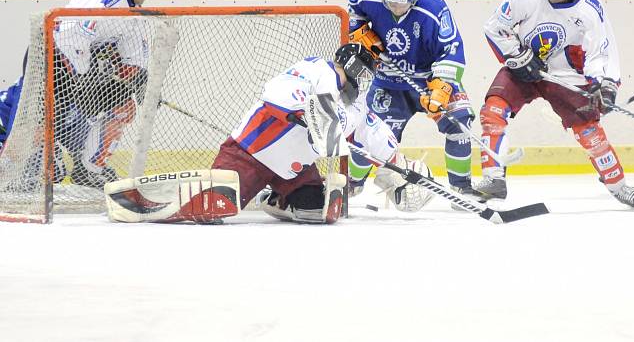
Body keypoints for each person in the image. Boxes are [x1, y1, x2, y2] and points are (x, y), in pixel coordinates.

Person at [104, 43, 434, 224]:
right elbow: (274, 91)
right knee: (218, 204)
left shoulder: (354, 106)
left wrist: (400, 167)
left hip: (294, 170)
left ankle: (276, 199)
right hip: (251, 154)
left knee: (323, 209)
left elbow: (371, 133)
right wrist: (308, 110)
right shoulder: (314, 70)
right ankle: (146, 198)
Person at [476, 0, 634, 208]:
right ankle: (493, 179)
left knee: (589, 132)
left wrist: (605, 85)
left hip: (565, 76)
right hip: (525, 66)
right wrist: (519, 56)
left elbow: (601, 51)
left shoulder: (590, 9)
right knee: (493, 111)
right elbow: (495, 27)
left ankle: (618, 185)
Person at [4, 0, 161, 191]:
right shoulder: (106, 1)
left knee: (124, 107)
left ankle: (90, 167)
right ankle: (22, 167)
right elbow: (70, 38)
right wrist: (85, 80)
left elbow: (133, 60)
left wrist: (142, 83)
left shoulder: (132, 13)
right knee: (40, 121)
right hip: (51, 58)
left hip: (77, 70)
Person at [347, 0, 483, 203]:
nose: (394, 8)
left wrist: (441, 89)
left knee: (460, 121)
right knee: (367, 134)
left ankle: (462, 187)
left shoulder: (434, 8)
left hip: (430, 79)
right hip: (387, 82)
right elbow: (353, 7)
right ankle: (350, 184)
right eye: (389, 2)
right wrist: (359, 31)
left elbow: (452, 50)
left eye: (401, 4)